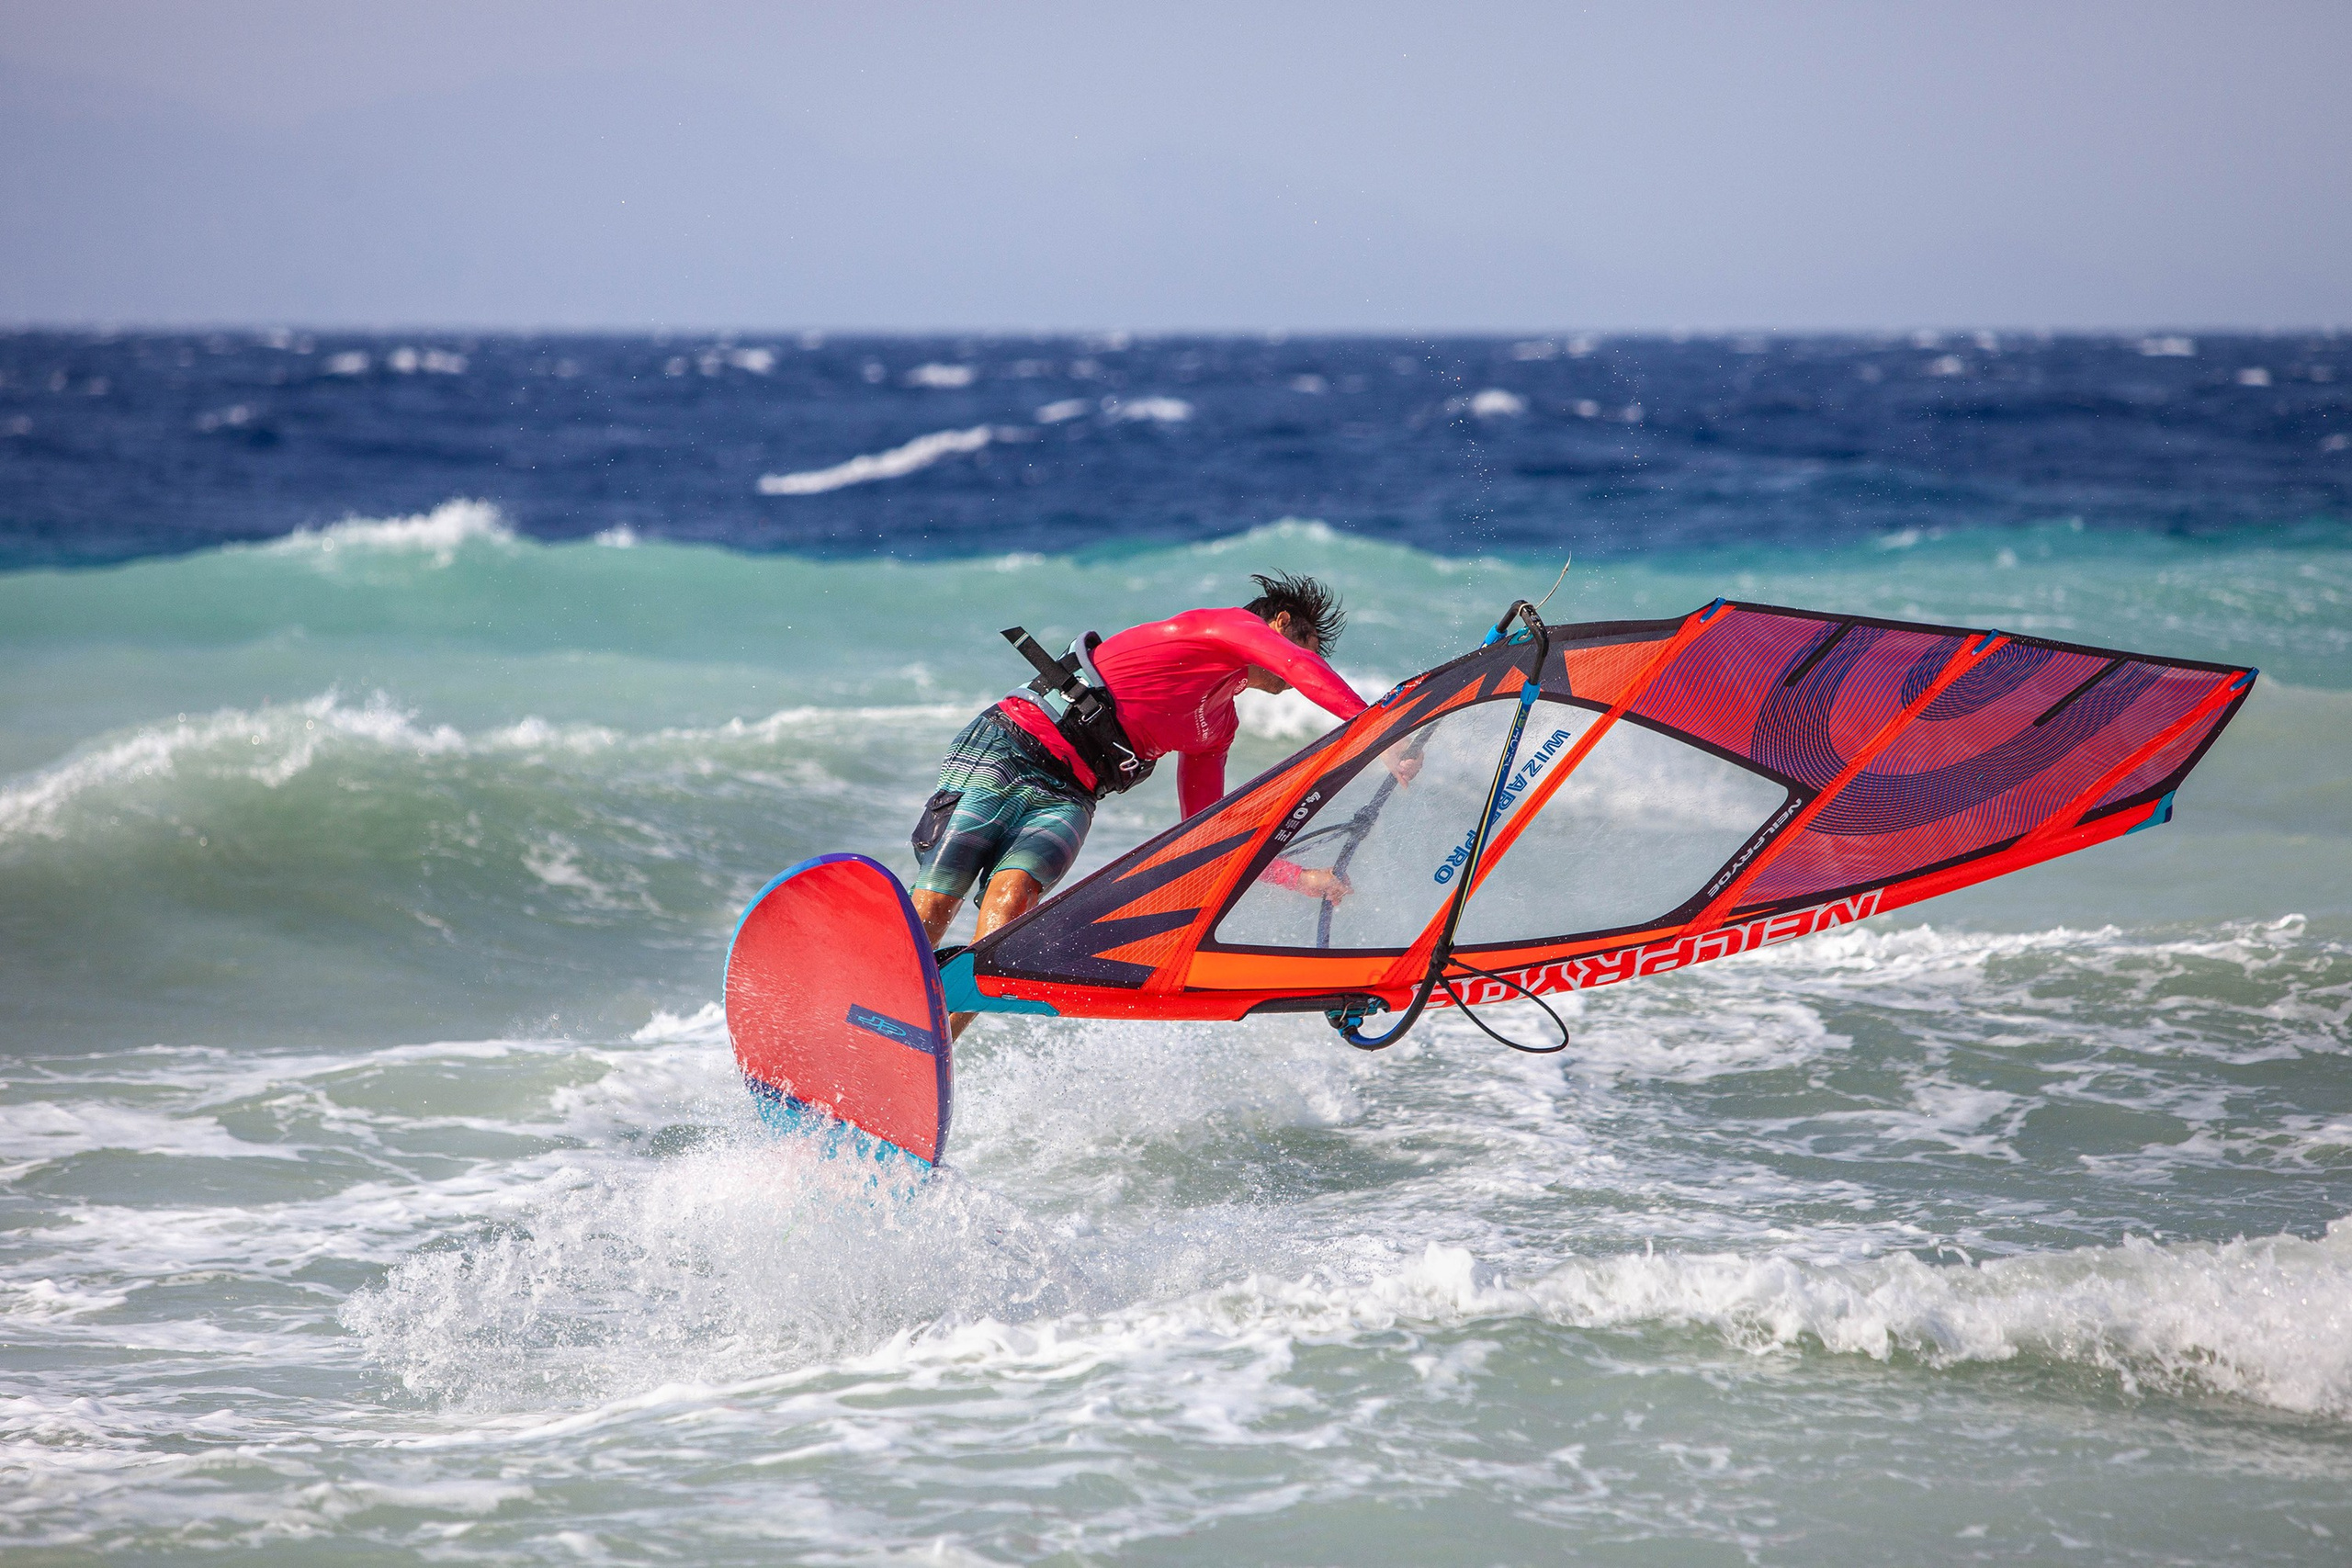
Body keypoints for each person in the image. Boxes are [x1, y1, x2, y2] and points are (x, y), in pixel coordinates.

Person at [909, 572, 1406, 1036]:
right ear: (1279, 625)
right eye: (1312, 647)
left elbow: (1205, 830)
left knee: (1011, 913)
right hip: (1013, 745)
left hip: (1073, 791)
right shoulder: (1225, 625)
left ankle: (931, 1045)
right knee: (940, 896)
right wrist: (1382, 734)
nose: (1310, 666)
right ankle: (887, 997)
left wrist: (1300, 879)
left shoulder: (1216, 727)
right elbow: (1300, 665)